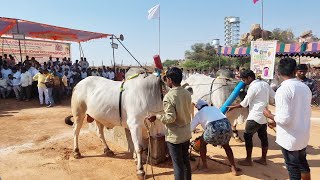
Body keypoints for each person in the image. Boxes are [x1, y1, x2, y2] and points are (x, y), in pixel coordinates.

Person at [263, 58, 312, 180]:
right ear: (295, 71)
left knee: (293, 168)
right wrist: (276, 122)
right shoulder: (305, 88)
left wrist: (269, 115)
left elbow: (285, 119)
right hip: (303, 134)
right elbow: (298, 112)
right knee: (302, 163)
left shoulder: (283, 90)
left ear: (278, 73)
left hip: (290, 138)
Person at [145, 67, 192, 180]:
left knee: (177, 165)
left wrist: (156, 116)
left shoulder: (169, 97)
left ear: (170, 80)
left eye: (166, 79)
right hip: (186, 134)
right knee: (185, 162)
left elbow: (170, 118)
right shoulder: (186, 92)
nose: (166, 82)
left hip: (175, 137)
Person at [228, 70, 275, 166]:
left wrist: (232, 107)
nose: (243, 82)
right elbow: (272, 98)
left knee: (247, 136)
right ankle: (263, 159)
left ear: (249, 78)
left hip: (255, 116)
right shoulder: (265, 84)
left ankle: (248, 160)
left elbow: (244, 103)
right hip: (264, 115)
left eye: (244, 80)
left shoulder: (253, 87)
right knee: (263, 137)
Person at [190, 99, 240, 175]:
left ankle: (205, 166)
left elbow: (190, 128)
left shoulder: (199, 113)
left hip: (213, 129)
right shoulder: (214, 108)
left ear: (198, 107)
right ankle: (234, 168)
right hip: (227, 126)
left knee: (202, 144)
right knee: (226, 146)